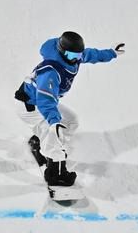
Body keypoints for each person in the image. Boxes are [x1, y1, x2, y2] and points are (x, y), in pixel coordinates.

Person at [13, 30, 126, 187]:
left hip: (41, 102)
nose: (76, 59)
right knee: (54, 134)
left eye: (78, 55)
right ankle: (56, 175)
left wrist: (111, 53)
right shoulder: (51, 70)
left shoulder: (73, 57)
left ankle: (40, 143)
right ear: (62, 51)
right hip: (30, 105)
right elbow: (45, 99)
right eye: (72, 56)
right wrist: (54, 122)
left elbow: (91, 54)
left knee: (71, 121)